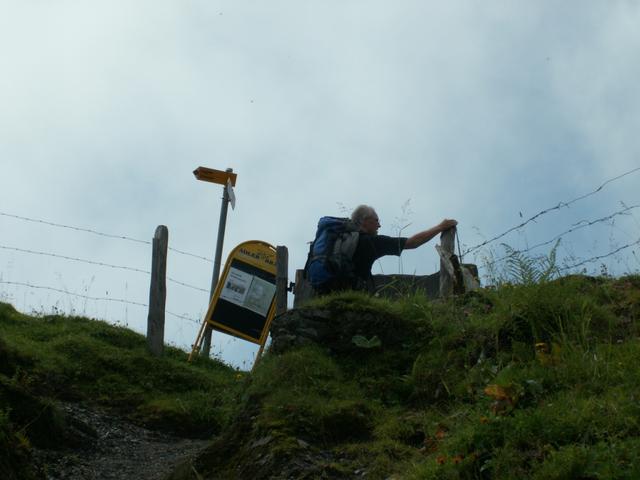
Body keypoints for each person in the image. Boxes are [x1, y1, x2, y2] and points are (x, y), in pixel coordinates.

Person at [319, 205, 458, 294]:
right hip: (350, 294)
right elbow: (413, 242)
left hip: (325, 290)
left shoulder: (339, 240)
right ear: (365, 221)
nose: (379, 225)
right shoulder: (371, 242)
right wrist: (440, 227)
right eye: (377, 220)